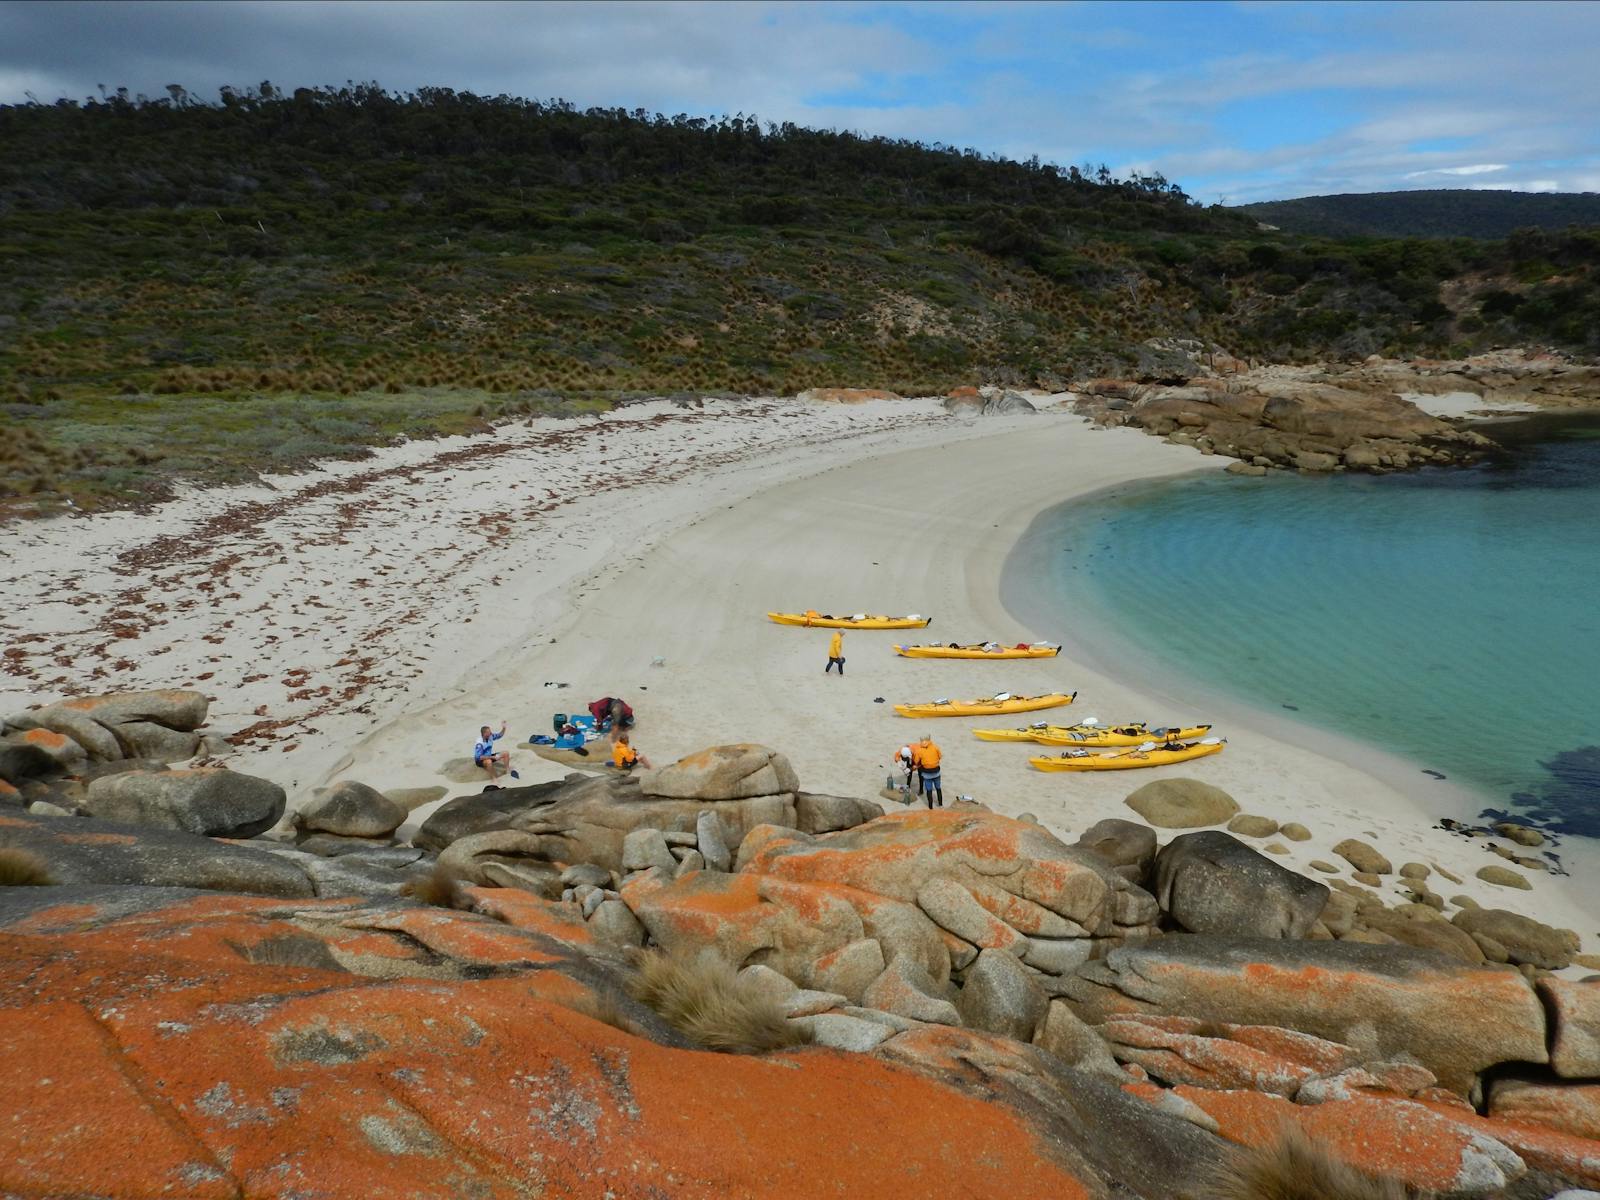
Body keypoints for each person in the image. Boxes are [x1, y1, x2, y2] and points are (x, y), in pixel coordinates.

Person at [918, 734, 943, 809]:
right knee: (938, 788)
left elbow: (917, 761)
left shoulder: (920, 750)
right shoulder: (935, 747)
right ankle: (940, 804)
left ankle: (930, 807)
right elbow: (940, 756)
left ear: (921, 741)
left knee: (929, 790)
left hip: (926, 774)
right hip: (936, 772)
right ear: (929, 740)